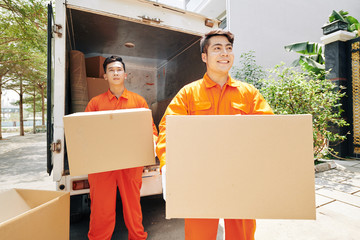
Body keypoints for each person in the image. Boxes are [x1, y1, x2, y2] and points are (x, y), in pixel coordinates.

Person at [156, 29, 273, 240]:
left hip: (240, 176)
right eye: (217, 49)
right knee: (199, 234)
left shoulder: (248, 93)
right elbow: (168, 129)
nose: (225, 53)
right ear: (204, 56)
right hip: (200, 176)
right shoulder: (189, 93)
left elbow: (269, 129)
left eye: (229, 49)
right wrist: (167, 166)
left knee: (243, 234)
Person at [85, 56, 158, 240]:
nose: (115, 73)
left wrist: (153, 143)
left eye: (119, 70)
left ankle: (137, 237)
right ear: (105, 76)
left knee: (133, 206)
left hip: (130, 162)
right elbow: (85, 134)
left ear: (125, 75)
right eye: (111, 70)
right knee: (101, 207)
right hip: (102, 165)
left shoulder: (138, 101)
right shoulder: (95, 103)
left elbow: (151, 131)